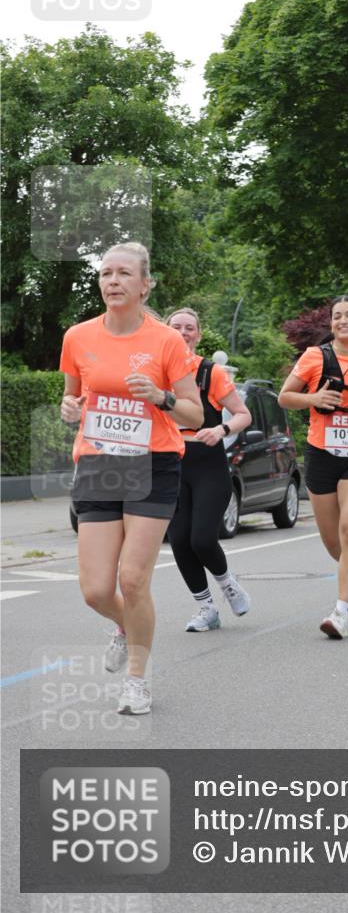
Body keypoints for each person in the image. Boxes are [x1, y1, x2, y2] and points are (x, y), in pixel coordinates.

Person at [59, 242, 203, 715]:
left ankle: (137, 682)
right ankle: (125, 626)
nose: (113, 281)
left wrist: (161, 397)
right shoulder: (77, 337)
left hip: (153, 463)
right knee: (97, 590)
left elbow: (193, 412)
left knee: (133, 579)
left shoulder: (166, 341)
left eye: (124, 273)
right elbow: (72, 401)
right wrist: (68, 410)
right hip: (100, 464)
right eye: (106, 273)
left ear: (145, 285)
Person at [278, 295, 348, 639]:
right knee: (333, 544)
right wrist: (313, 399)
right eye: (337, 316)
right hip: (322, 453)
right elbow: (285, 396)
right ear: (331, 324)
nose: (343, 321)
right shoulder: (315, 357)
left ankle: (340, 613)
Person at [165, 308, 252, 630]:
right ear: (165, 331)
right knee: (179, 541)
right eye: (176, 327)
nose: (183, 332)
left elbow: (243, 414)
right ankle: (206, 609)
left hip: (207, 463)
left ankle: (229, 585)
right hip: (168, 463)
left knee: (202, 538)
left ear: (198, 335)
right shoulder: (154, 372)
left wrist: (222, 430)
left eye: (189, 328)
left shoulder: (209, 372)